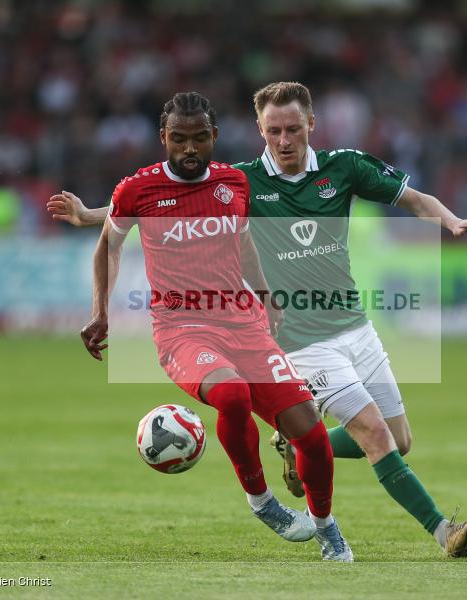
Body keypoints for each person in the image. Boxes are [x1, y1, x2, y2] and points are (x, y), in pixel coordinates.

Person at [49, 82, 467, 558]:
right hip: (298, 339)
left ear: (311, 126)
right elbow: (150, 200)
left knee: (399, 439)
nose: (283, 141)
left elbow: (412, 198)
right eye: (273, 131)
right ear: (259, 131)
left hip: (355, 327)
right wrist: (89, 216)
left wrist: (451, 221)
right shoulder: (243, 179)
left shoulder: (343, 167)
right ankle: (443, 531)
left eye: (293, 129)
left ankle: (294, 446)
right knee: (374, 433)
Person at [78, 92, 352, 561]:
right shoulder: (137, 190)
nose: (189, 149)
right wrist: (100, 311)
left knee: (311, 434)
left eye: (199, 138)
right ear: (163, 138)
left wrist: (265, 296)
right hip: (182, 330)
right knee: (232, 395)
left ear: (214, 137)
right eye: (179, 139)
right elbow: (108, 246)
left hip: (244, 325)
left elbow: (244, 245)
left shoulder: (232, 184)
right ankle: (264, 502)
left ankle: (327, 527)